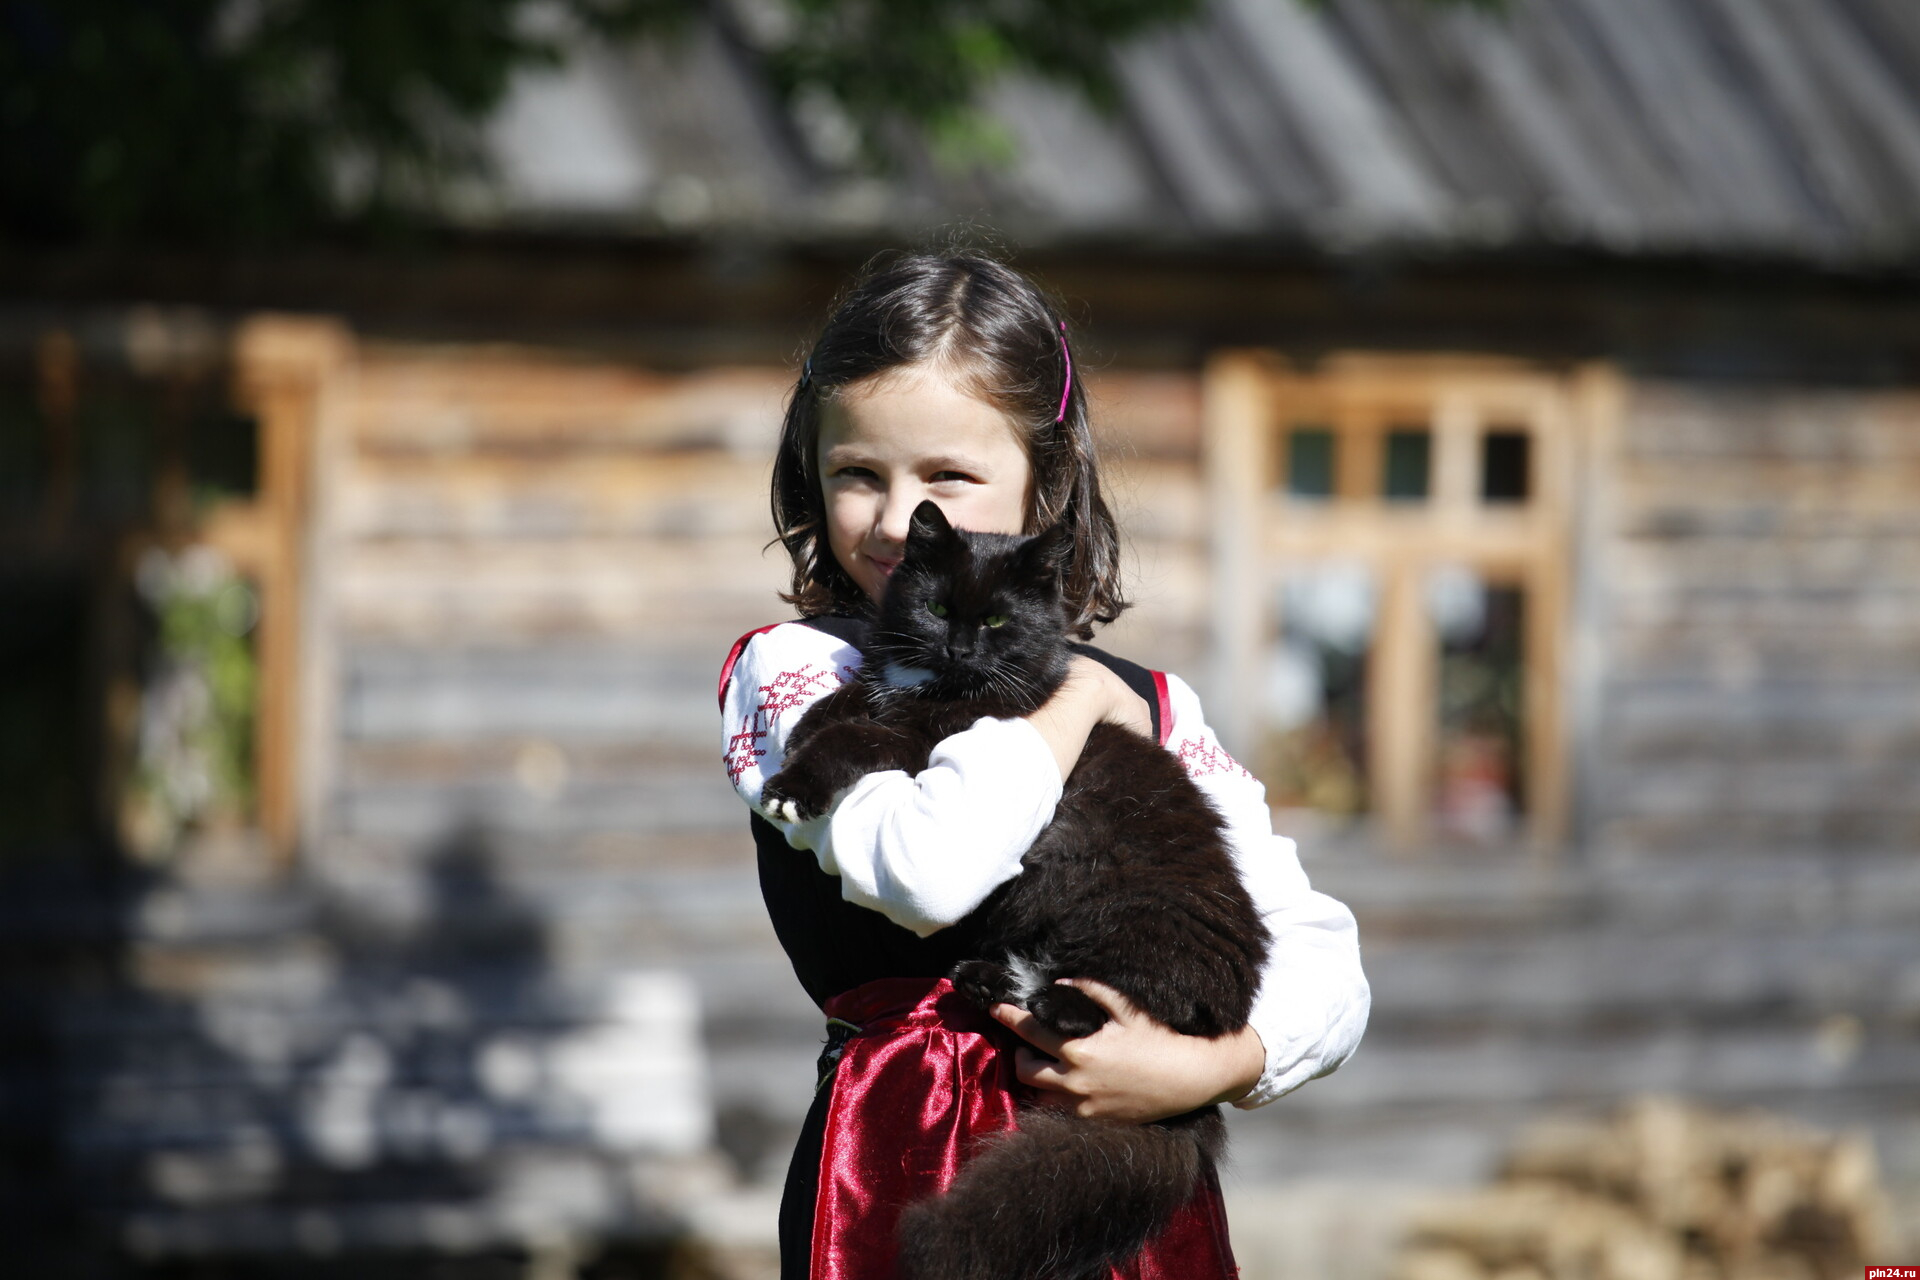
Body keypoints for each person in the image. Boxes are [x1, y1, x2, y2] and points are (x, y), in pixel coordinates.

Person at [718, 251, 1369, 1280]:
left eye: (947, 476)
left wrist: (1204, 1066)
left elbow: (1324, 957)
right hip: (907, 1147)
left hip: (1117, 1164)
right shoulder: (799, 669)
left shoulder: (1154, 702)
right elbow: (928, 872)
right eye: (857, 473)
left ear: (1044, 479)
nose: (895, 518)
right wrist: (1076, 709)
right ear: (812, 474)